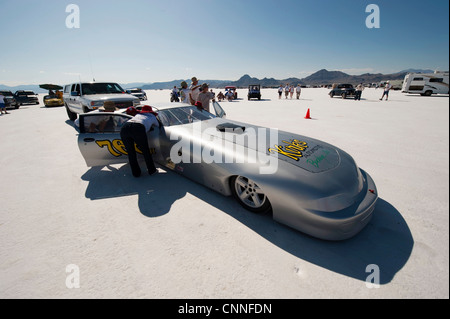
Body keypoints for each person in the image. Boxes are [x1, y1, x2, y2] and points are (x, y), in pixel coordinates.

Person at [120, 105, 159, 178]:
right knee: (145, 151)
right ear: (151, 111)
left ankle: (136, 173)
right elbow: (158, 126)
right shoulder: (152, 117)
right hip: (138, 128)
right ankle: (152, 170)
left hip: (125, 128)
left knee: (131, 152)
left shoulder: (138, 115)